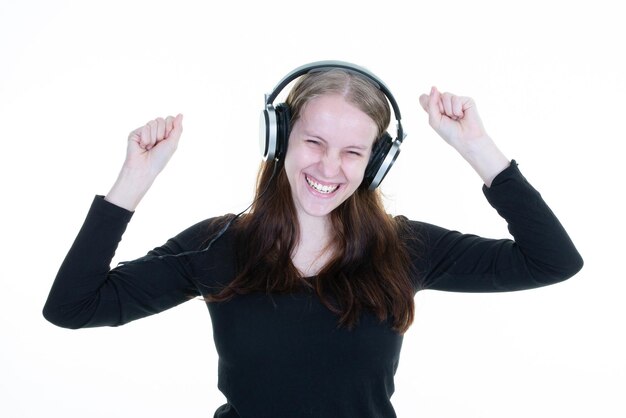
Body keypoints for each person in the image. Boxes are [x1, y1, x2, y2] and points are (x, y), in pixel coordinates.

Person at [43, 61, 583, 418]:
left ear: (376, 161)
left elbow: (553, 260)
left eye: (353, 151)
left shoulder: (405, 249)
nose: (330, 166)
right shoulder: (219, 246)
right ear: (279, 139)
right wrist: (133, 181)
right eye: (314, 141)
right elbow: (72, 307)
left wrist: (477, 146)